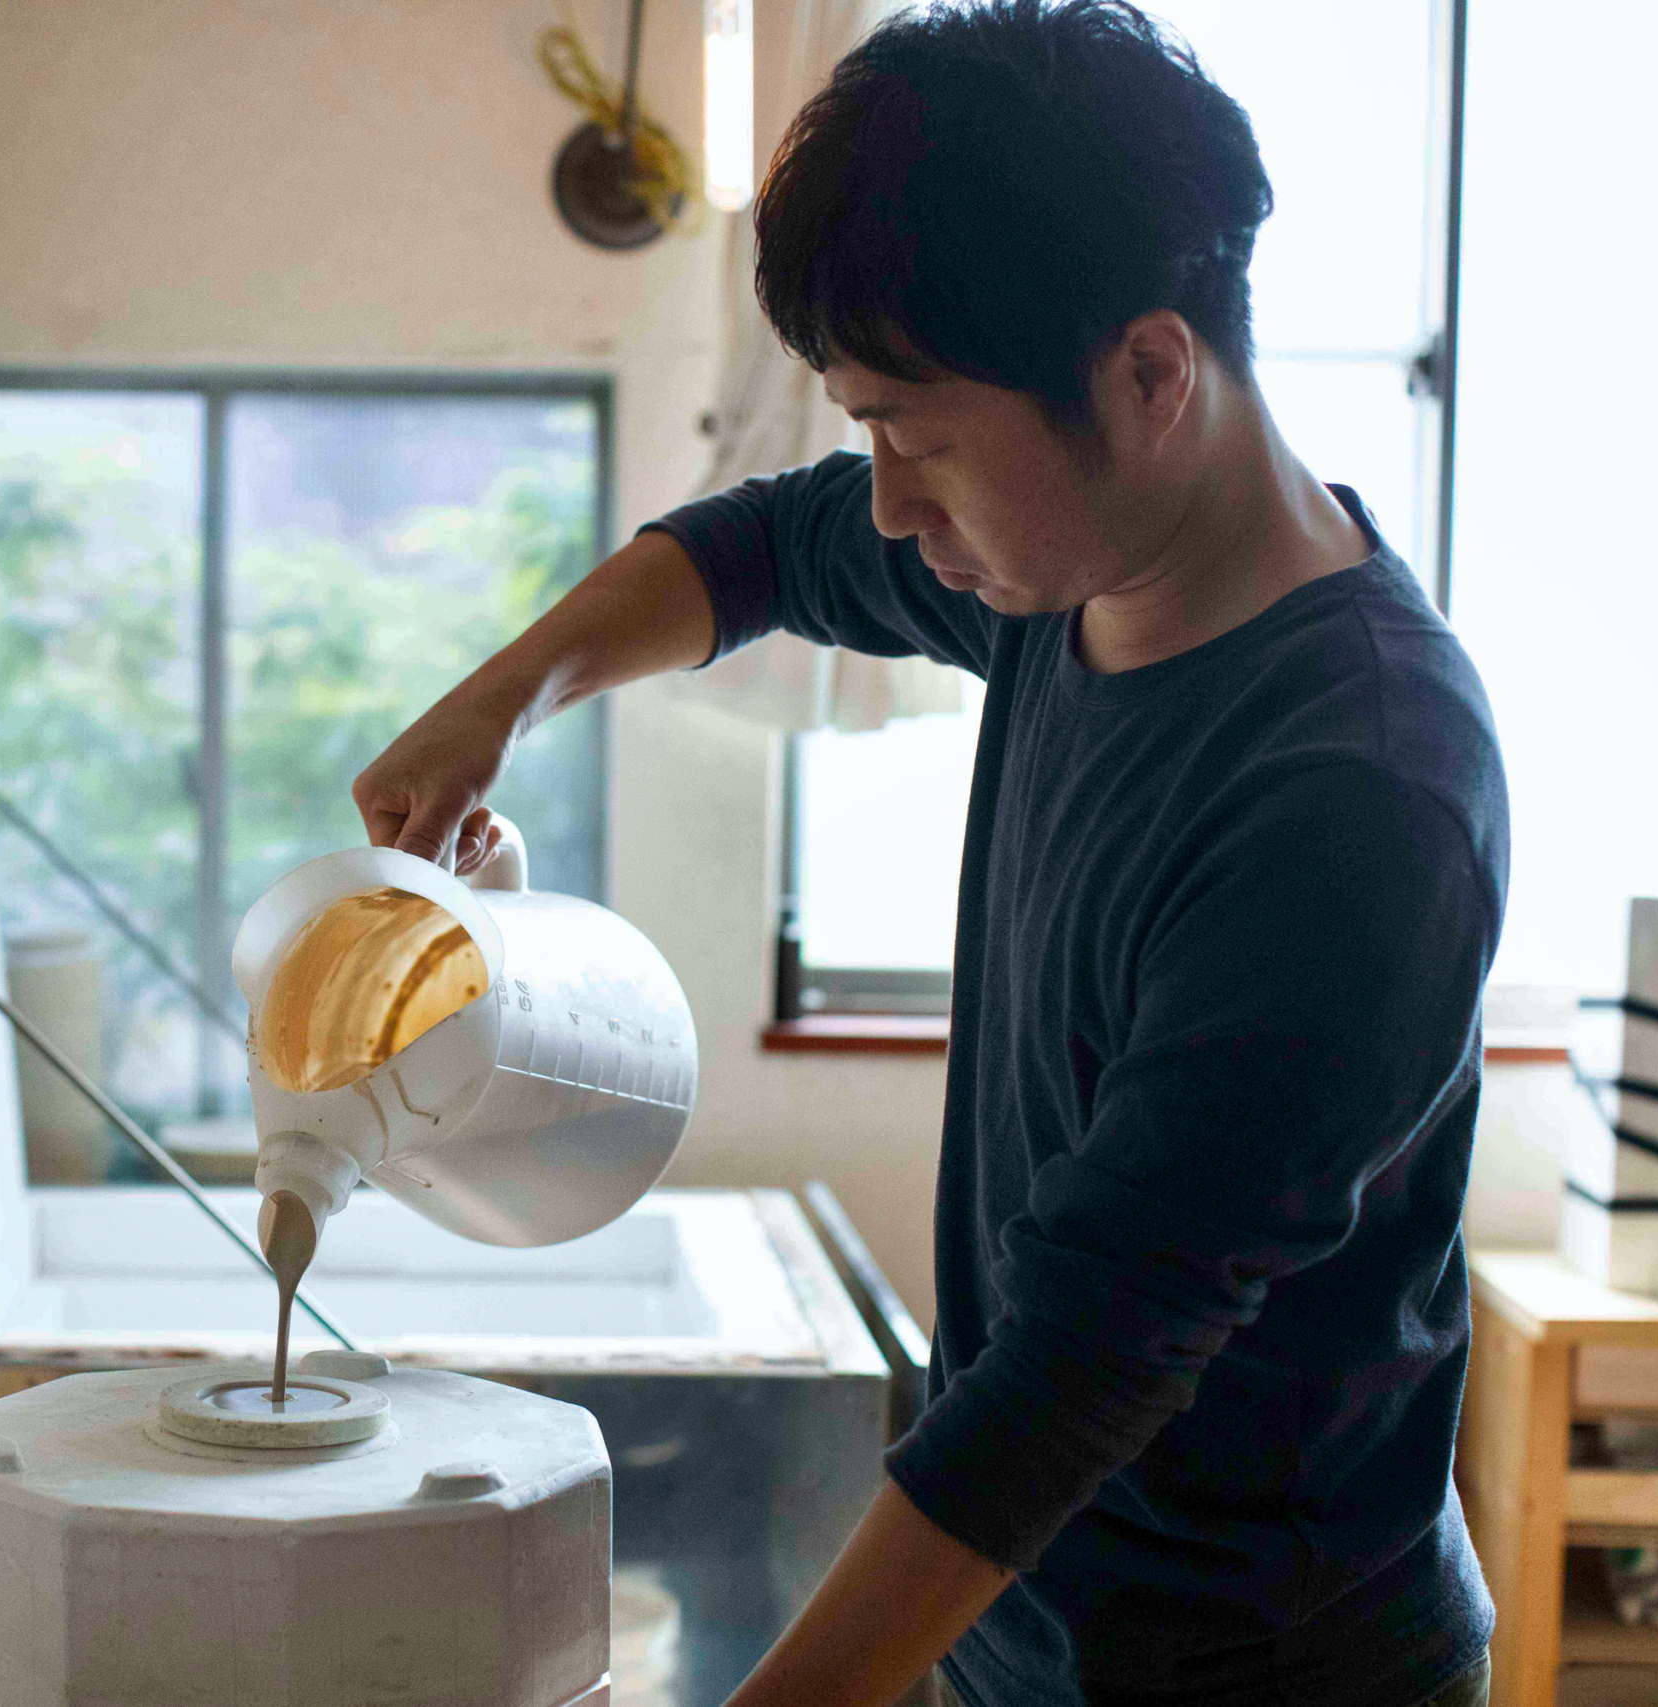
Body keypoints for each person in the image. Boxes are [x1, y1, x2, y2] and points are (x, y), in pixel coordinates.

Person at [350, 3, 1508, 1702]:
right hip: (1023, 1629)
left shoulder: (1358, 797)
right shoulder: (1079, 567)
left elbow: (1072, 1379)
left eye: (919, 432)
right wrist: (503, 697)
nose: (888, 499)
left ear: (1151, 373)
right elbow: (763, 548)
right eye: (865, 426)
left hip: (1262, 1670)